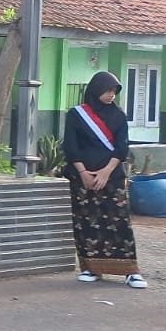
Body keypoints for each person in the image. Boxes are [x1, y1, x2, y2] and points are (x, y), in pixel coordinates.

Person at [64, 72, 146, 288]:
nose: (111, 95)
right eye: (107, 90)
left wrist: (105, 172)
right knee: (86, 221)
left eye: (114, 91)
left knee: (118, 221)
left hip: (112, 177)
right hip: (82, 178)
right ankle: (91, 268)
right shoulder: (76, 115)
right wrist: (83, 173)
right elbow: (71, 146)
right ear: (95, 90)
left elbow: (121, 148)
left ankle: (131, 271)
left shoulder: (119, 116)